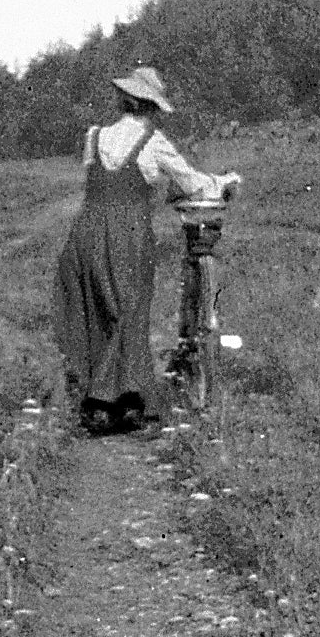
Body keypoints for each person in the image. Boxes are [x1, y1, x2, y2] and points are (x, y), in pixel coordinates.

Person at [52, 66, 239, 435]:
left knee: (96, 308)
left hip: (88, 231)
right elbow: (192, 182)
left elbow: (97, 179)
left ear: (124, 101)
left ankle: (104, 398)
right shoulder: (153, 142)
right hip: (129, 233)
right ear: (149, 106)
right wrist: (223, 182)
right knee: (130, 310)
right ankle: (118, 400)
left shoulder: (94, 137)